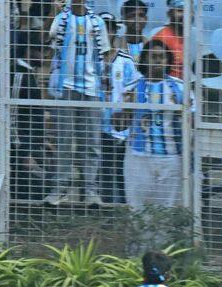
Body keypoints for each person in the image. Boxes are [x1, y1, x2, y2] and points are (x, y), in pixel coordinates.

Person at [47, 0, 111, 207]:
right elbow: (47, 43)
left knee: (91, 143)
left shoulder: (97, 22)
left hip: (91, 88)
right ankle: (59, 189)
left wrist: (103, 81)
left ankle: (91, 191)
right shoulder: (61, 18)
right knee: (63, 141)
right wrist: (51, 12)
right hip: (66, 86)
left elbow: (105, 55)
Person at [122, 42, 184, 210]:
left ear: (168, 61)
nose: (158, 61)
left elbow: (190, 121)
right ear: (144, 60)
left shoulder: (180, 88)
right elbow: (119, 124)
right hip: (138, 156)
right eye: (153, 57)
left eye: (161, 57)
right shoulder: (132, 87)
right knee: (137, 207)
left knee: (166, 209)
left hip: (170, 157)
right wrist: (125, 109)